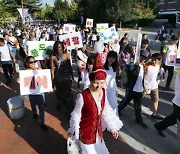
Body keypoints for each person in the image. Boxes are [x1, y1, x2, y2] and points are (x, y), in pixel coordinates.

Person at [68, 53, 123, 154]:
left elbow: (106, 111)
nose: (99, 86)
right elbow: (76, 114)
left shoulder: (104, 93)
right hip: (86, 134)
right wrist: (72, 131)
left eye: (102, 83)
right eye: (96, 82)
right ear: (91, 80)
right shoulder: (83, 96)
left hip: (98, 133)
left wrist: (113, 128)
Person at [118, 49, 151, 128]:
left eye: (145, 58)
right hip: (131, 88)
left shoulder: (143, 65)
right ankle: (117, 110)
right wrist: (136, 65)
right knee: (125, 101)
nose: (143, 59)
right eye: (142, 57)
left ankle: (139, 120)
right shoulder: (133, 64)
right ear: (139, 56)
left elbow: (142, 77)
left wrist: (144, 87)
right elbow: (130, 73)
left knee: (138, 106)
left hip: (139, 89)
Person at [50, 41, 74, 116]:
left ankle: (69, 109)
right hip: (58, 77)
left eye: (60, 47)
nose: (59, 49)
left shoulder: (67, 55)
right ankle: (59, 102)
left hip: (66, 77)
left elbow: (70, 66)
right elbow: (52, 70)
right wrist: (53, 82)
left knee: (68, 93)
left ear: (63, 48)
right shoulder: (53, 57)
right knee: (59, 92)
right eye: (57, 47)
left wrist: (72, 76)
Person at [24, 56, 48, 131]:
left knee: (41, 108)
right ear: (27, 63)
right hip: (32, 93)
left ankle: (42, 123)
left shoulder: (39, 69)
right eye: (31, 62)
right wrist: (19, 80)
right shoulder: (25, 72)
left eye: (34, 62)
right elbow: (24, 82)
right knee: (33, 105)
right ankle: (34, 112)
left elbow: (44, 77)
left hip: (40, 93)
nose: (33, 64)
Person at [154, 71, 180, 137]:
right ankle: (159, 126)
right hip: (178, 102)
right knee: (175, 119)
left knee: (174, 118)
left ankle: (159, 126)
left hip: (177, 101)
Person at [144, 53, 163, 120]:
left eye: (155, 60)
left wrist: (158, 82)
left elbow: (159, 75)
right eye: (152, 59)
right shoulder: (146, 65)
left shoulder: (159, 66)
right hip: (145, 85)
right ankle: (137, 109)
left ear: (159, 60)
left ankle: (155, 113)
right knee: (139, 98)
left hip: (154, 86)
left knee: (156, 99)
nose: (153, 61)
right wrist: (144, 85)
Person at [104, 51, 119, 115]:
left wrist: (116, 89)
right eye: (110, 57)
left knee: (113, 106)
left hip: (112, 90)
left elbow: (113, 80)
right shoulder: (103, 67)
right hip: (105, 89)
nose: (111, 59)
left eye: (113, 58)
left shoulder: (114, 68)